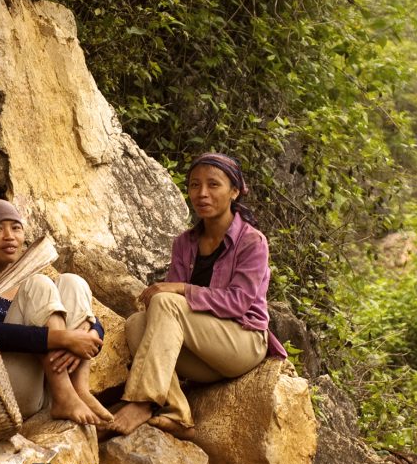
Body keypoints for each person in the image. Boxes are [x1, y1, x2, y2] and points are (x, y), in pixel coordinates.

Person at [109, 153, 288, 439]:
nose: (202, 193)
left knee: (167, 300)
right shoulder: (185, 243)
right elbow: (165, 315)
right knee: (136, 323)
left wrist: (181, 288)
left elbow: (238, 302)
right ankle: (179, 411)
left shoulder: (252, 241)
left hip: (242, 343)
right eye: (194, 185)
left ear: (234, 191)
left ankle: (142, 401)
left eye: (213, 185)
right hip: (204, 357)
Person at [0, 198, 114, 426]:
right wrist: (63, 338)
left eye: (15, 228)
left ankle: (79, 390)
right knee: (39, 283)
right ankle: (64, 395)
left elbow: (91, 320)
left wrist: (89, 332)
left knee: (71, 282)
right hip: (10, 393)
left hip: (46, 387)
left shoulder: (27, 283)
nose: (9, 236)